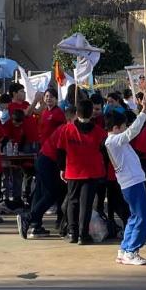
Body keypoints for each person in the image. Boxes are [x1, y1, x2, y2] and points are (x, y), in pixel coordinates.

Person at [105, 97, 146, 265]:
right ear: (116, 128)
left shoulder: (115, 141)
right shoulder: (114, 141)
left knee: (135, 216)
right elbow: (131, 132)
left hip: (131, 182)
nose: (126, 128)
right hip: (132, 183)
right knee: (143, 217)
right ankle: (131, 251)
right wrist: (144, 112)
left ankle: (125, 249)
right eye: (124, 126)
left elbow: (129, 132)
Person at [18, 105, 75, 240]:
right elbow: (62, 152)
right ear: (71, 119)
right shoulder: (67, 130)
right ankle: (30, 217)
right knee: (51, 193)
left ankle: (36, 225)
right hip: (48, 161)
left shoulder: (65, 129)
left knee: (41, 193)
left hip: (45, 159)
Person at [57, 99, 108, 245]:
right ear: (91, 113)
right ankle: (83, 235)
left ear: (77, 113)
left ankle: (72, 233)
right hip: (92, 171)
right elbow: (105, 153)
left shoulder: (67, 129)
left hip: (73, 171)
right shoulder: (99, 132)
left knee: (73, 201)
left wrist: (62, 168)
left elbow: (60, 151)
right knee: (86, 204)